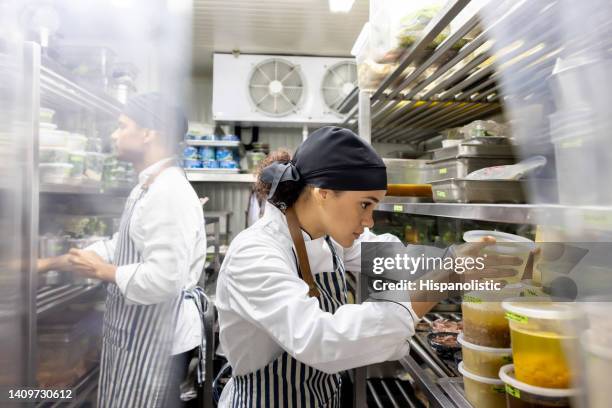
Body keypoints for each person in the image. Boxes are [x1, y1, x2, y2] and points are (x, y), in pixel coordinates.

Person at [215, 126, 518, 407]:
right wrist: (445, 277)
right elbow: (320, 340)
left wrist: (464, 257)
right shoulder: (255, 254)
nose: (369, 221)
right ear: (323, 192)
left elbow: (392, 257)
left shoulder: (326, 237)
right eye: (365, 204)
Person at [38, 93, 207, 408]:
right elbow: (121, 245)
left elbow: (165, 278)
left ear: (148, 133)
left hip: (158, 344)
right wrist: (50, 262)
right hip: (141, 337)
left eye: (121, 126)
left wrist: (105, 272)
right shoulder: (148, 186)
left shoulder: (167, 192)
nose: (114, 134)